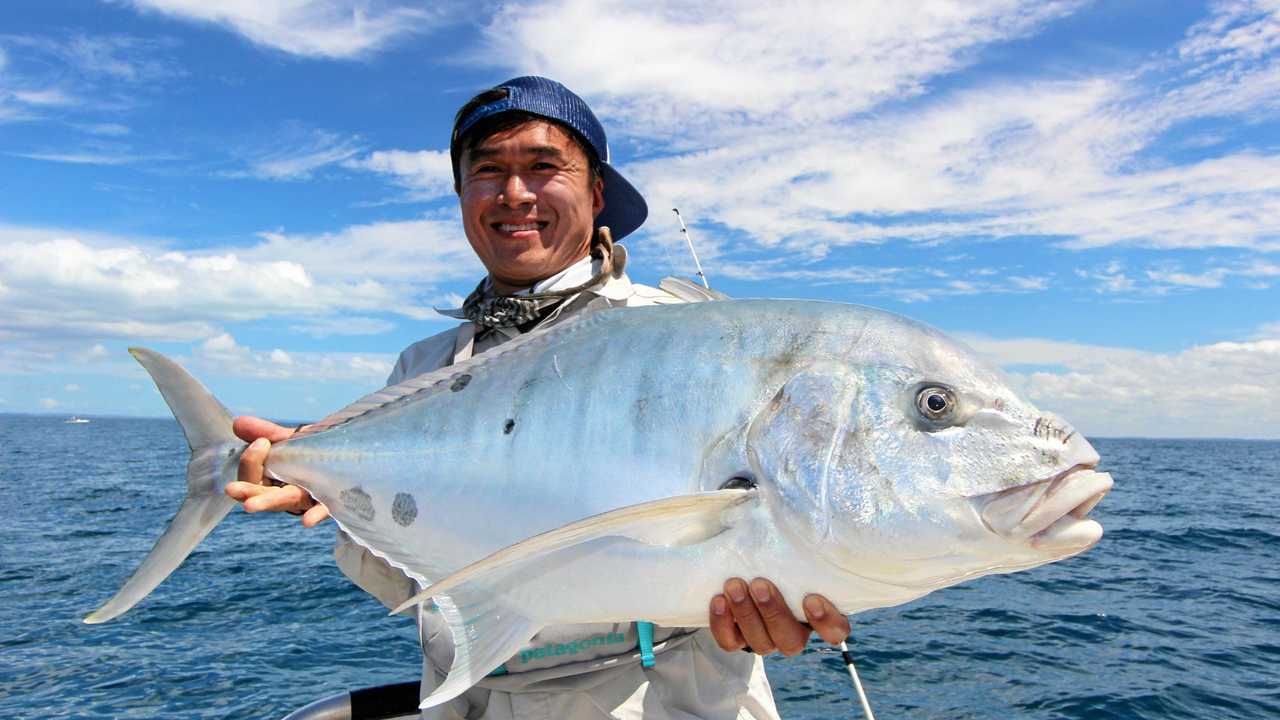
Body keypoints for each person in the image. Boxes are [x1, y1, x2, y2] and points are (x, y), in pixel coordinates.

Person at [226, 76, 850, 719]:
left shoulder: (687, 335)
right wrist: (338, 498)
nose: (515, 193)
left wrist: (786, 592)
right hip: (473, 702)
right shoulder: (426, 366)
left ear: (595, 191)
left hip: (664, 701)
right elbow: (423, 587)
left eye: (544, 166)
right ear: (462, 195)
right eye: (488, 170)